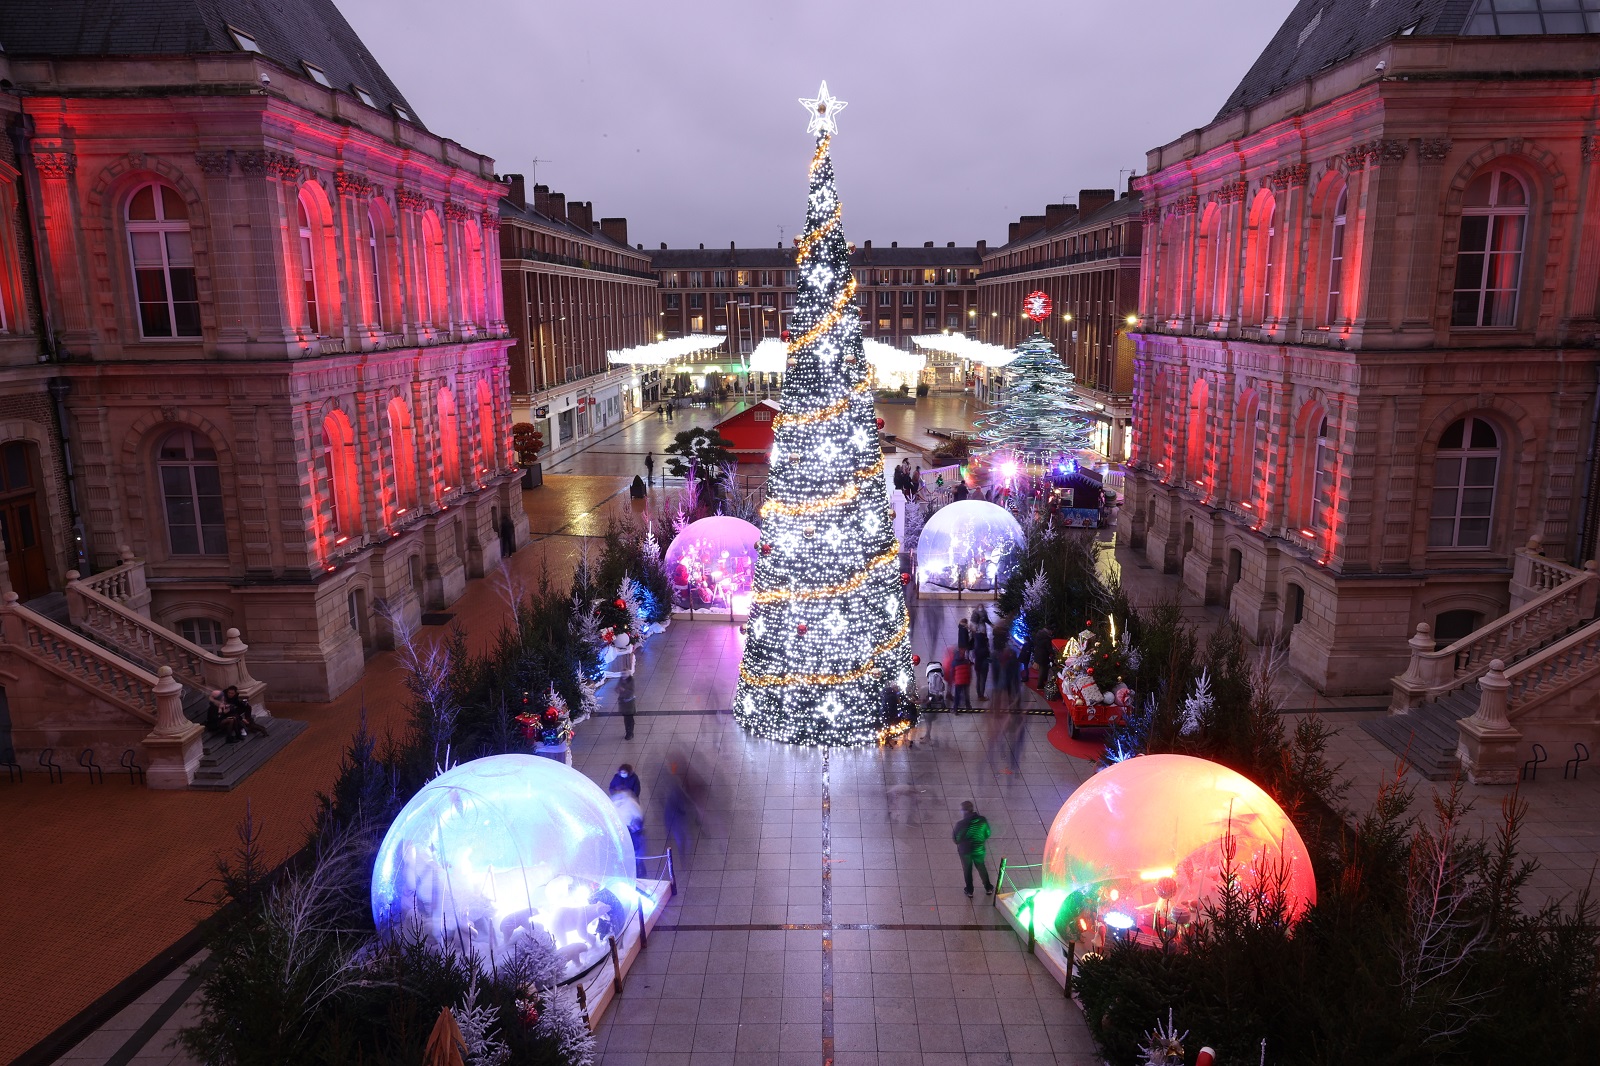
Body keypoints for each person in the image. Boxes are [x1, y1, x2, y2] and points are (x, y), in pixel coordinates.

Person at [953, 800, 994, 898]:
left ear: (964, 811)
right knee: (981, 867)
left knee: (967, 869)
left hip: (965, 851)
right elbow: (987, 833)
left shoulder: (961, 824)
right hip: (979, 849)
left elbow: (956, 839)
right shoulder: (982, 820)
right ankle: (988, 887)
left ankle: (969, 890)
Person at [609, 780, 647, 878]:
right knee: (631, 854)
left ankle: (638, 872)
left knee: (633, 854)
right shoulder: (624, 801)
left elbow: (638, 818)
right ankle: (635, 871)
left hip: (629, 831)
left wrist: (634, 827)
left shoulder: (627, 802)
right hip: (624, 830)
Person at [971, 616, 992, 702]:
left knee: (978, 679)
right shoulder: (985, 648)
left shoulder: (976, 645)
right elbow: (988, 656)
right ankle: (981, 696)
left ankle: (978, 694)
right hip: (983, 666)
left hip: (977, 665)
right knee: (983, 680)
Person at [618, 673, 637, 739]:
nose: (623, 676)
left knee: (629, 718)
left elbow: (632, 691)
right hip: (623, 703)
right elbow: (616, 689)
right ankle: (628, 732)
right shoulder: (621, 680)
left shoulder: (631, 681)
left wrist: (624, 690)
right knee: (626, 719)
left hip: (630, 703)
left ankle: (630, 733)